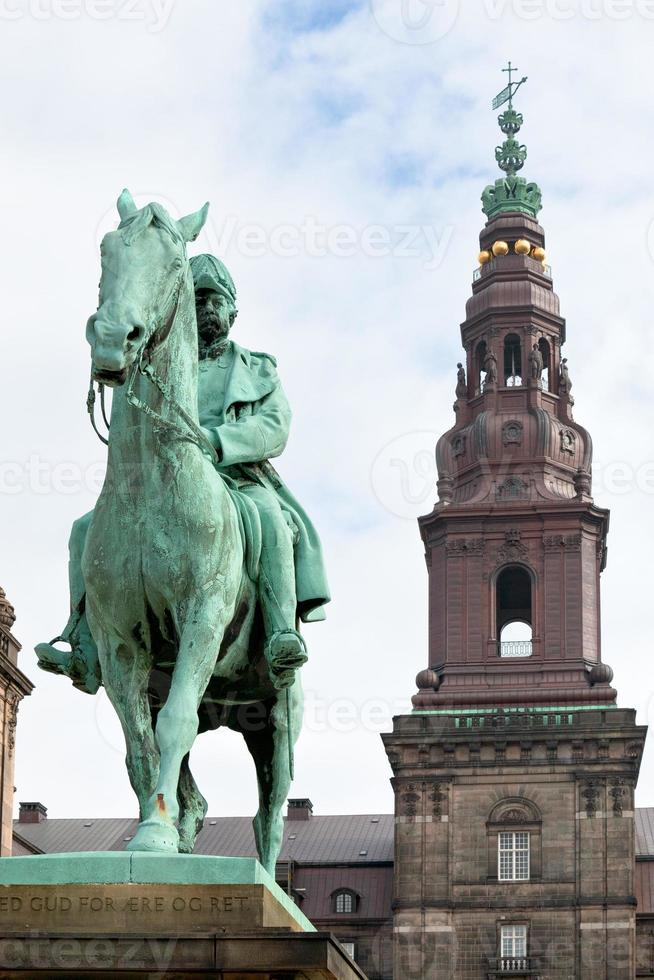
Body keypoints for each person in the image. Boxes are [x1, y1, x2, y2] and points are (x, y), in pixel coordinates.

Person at [36, 254, 330, 694]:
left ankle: (278, 633)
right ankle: (84, 641)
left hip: (238, 479)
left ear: (233, 311)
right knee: (84, 529)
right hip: (164, 483)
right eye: (199, 300)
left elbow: (274, 426)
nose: (208, 309)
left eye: (217, 300)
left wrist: (218, 442)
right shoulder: (159, 367)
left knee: (271, 517)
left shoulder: (258, 368)